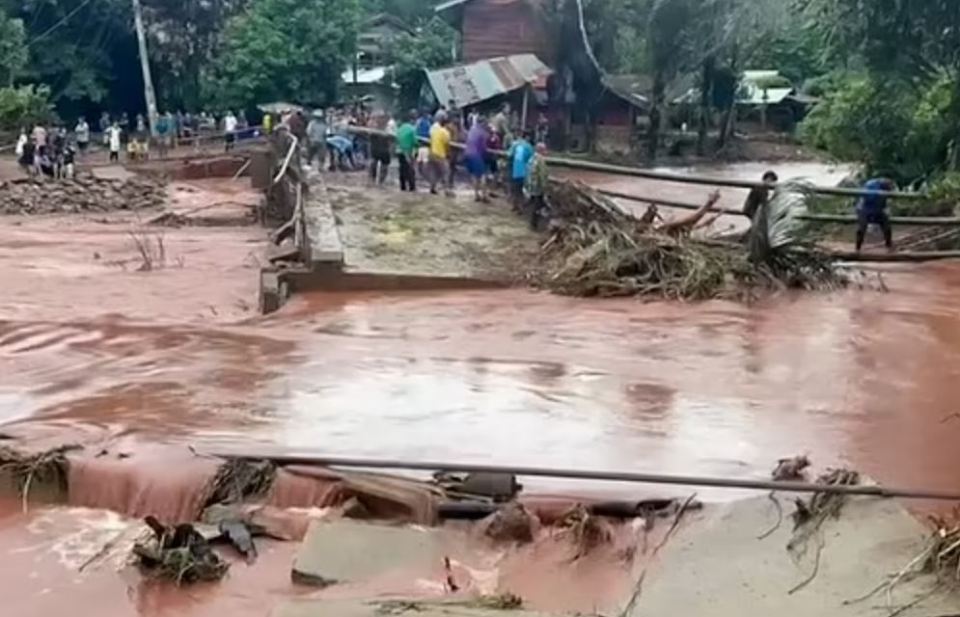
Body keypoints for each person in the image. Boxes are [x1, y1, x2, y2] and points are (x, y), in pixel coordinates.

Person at [856, 178, 895, 252]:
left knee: (887, 227)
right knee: (861, 228)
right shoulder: (870, 185)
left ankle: (889, 246)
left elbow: (888, 202)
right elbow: (862, 199)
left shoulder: (887, 190)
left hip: (878, 210)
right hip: (865, 208)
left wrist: (886, 209)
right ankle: (858, 248)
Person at [463, 115, 489, 202]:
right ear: (483, 123)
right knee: (483, 175)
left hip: (467, 153)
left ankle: (476, 195)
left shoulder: (472, 129)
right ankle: (484, 196)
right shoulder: (482, 132)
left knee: (474, 175)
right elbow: (483, 148)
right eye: (485, 123)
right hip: (476, 155)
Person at [525, 142, 550, 230]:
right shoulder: (541, 160)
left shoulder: (532, 158)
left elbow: (527, 171)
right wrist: (545, 187)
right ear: (541, 150)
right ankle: (534, 224)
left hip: (531, 184)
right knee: (538, 204)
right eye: (544, 149)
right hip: (537, 186)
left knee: (533, 203)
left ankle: (531, 219)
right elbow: (542, 175)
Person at [508, 130, 534, 210]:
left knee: (514, 188)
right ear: (527, 137)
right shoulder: (529, 147)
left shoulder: (515, 144)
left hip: (514, 168)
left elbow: (509, 155)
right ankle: (521, 207)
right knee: (522, 189)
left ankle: (514, 205)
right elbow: (532, 159)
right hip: (524, 170)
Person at [429, 114, 453, 196]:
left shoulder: (434, 130)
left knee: (434, 172)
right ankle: (447, 190)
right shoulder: (445, 132)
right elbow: (447, 146)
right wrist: (449, 155)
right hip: (440, 154)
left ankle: (432, 188)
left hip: (432, 153)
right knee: (446, 172)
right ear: (446, 123)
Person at [395, 110, 418, 192]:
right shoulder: (412, 129)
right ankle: (412, 188)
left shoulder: (399, 129)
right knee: (410, 170)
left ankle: (402, 187)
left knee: (402, 169)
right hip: (408, 152)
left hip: (399, 152)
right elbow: (415, 142)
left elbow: (396, 140)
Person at [368, 114, 392, 186]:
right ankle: (372, 180)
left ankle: (381, 181)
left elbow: (391, 139)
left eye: (383, 119)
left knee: (384, 166)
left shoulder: (389, 128)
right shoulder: (373, 128)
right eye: (380, 119)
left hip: (384, 150)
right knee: (373, 164)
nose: (381, 121)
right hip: (376, 149)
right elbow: (369, 136)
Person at [415, 109, 432, 180]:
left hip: (420, 142)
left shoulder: (419, 121)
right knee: (425, 160)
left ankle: (418, 174)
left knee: (419, 159)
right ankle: (424, 174)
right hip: (425, 142)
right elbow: (430, 132)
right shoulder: (427, 122)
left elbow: (416, 130)